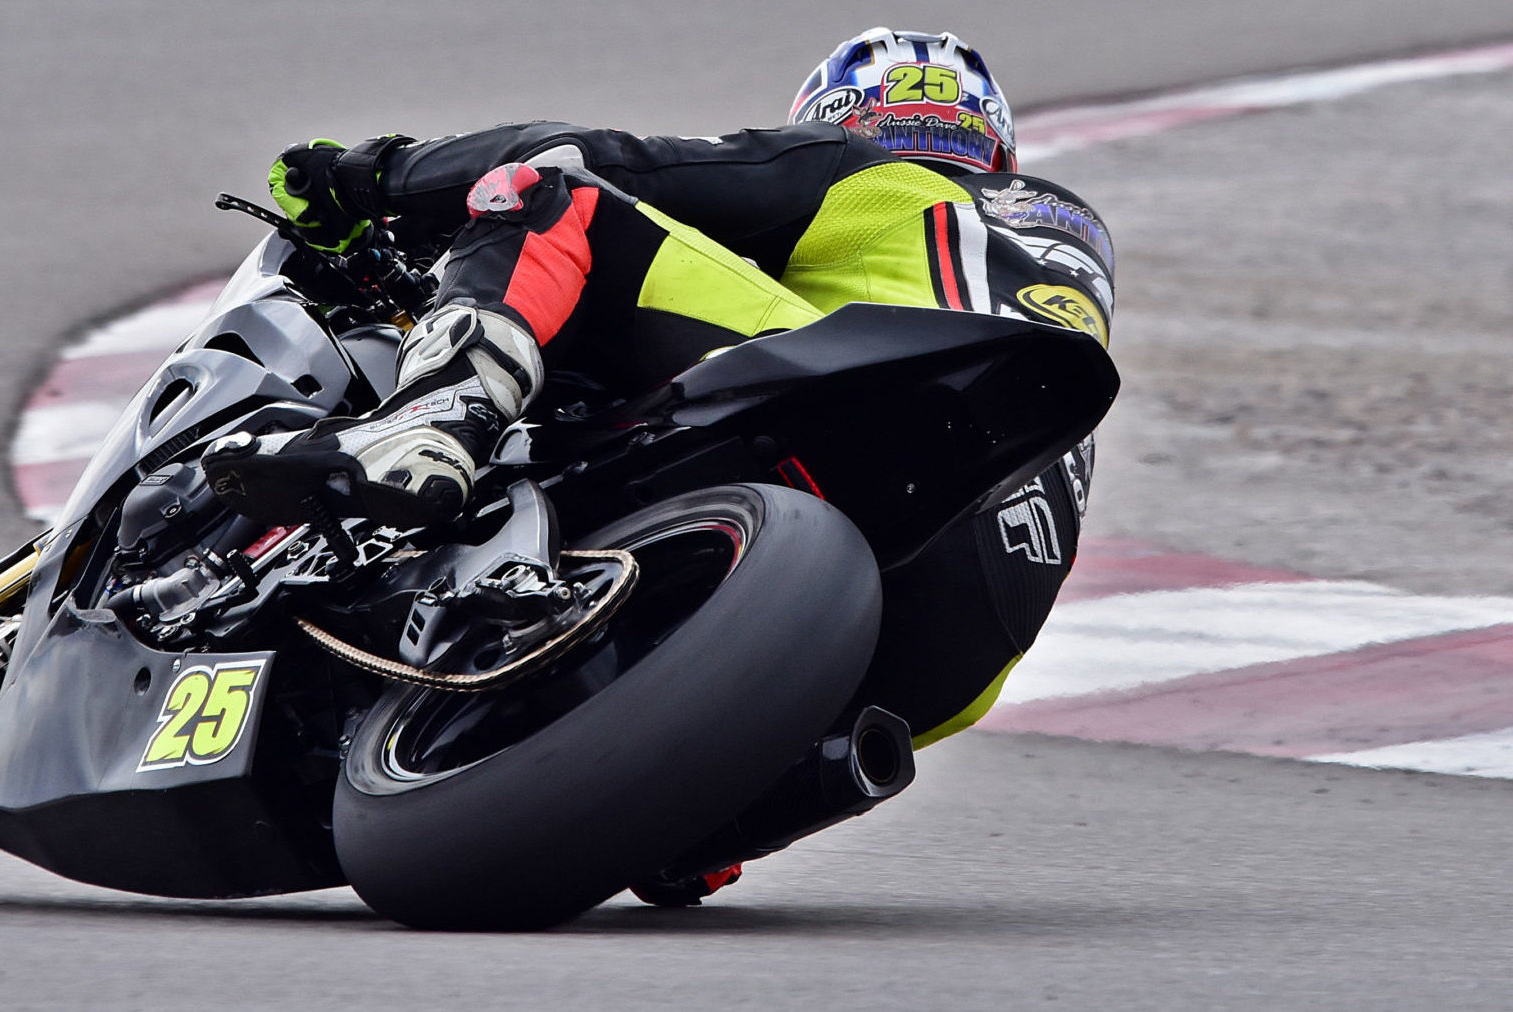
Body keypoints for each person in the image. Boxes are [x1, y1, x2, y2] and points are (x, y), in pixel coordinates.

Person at [205, 27, 1114, 900]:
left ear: (840, 118)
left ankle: (438, 415)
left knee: (551, 197)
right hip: (965, 656)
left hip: (870, 439)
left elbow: (589, 153)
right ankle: (700, 821)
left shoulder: (867, 179)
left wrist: (377, 175)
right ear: (995, 146)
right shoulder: (1056, 255)